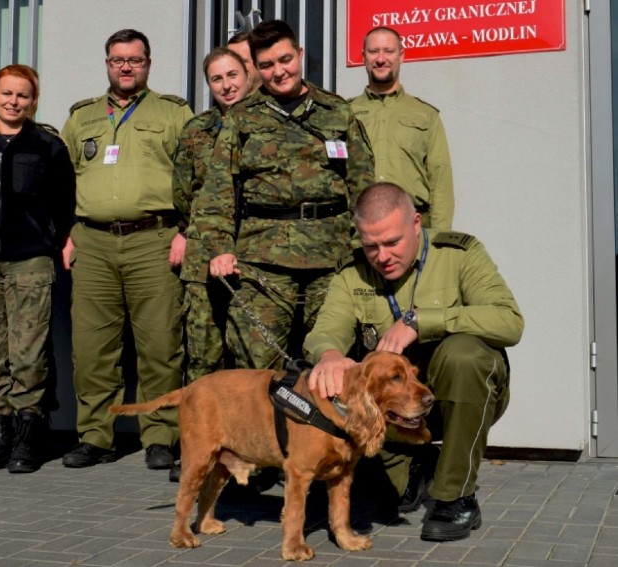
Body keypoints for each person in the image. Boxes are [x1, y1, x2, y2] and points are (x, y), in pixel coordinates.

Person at [304, 182, 523, 542]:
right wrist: (328, 355)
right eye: (371, 246)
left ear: (416, 223)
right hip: (392, 414)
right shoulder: (353, 273)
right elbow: (326, 329)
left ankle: (456, 497)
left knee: (464, 354)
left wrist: (422, 321)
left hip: (457, 398)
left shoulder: (459, 255)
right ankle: (419, 465)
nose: (382, 256)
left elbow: (509, 322)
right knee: (379, 494)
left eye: (392, 242)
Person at [196, 19, 375, 370]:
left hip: (331, 260)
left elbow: (363, 187)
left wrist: (362, 249)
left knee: (332, 362)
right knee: (256, 368)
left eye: (285, 60)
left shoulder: (337, 112)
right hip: (263, 264)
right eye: (267, 65)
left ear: (300, 55)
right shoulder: (242, 119)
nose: (279, 72)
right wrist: (220, 249)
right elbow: (216, 192)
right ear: (256, 69)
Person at [60, 29, 193, 470]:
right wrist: (66, 234)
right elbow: (62, 182)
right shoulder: (82, 118)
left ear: (148, 64)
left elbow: (196, 177)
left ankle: (160, 436)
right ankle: (95, 436)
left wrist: (187, 232)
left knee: (160, 345)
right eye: (118, 59)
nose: (126, 67)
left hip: (154, 240)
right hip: (93, 243)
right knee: (93, 348)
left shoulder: (173, 113)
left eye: (134, 60)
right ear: (107, 64)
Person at [0, 64, 76, 474]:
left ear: (33, 101)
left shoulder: (47, 147)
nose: (13, 101)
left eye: (22, 95)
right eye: (6, 93)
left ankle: (27, 439)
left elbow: (65, 203)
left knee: (28, 355)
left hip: (29, 261)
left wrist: (56, 241)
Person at [173, 47, 251, 384]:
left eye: (232, 75)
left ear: (247, 76)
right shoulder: (196, 130)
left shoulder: (268, 124)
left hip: (253, 253)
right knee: (203, 355)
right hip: (203, 261)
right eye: (216, 79)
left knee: (250, 355)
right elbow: (181, 191)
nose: (226, 85)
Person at [350, 26, 454, 230]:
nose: (381, 59)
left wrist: (438, 239)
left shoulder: (426, 115)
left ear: (401, 55)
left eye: (388, 51)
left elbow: (440, 181)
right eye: (373, 51)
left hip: (412, 227)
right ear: (364, 57)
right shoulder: (345, 112)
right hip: (359, 229)